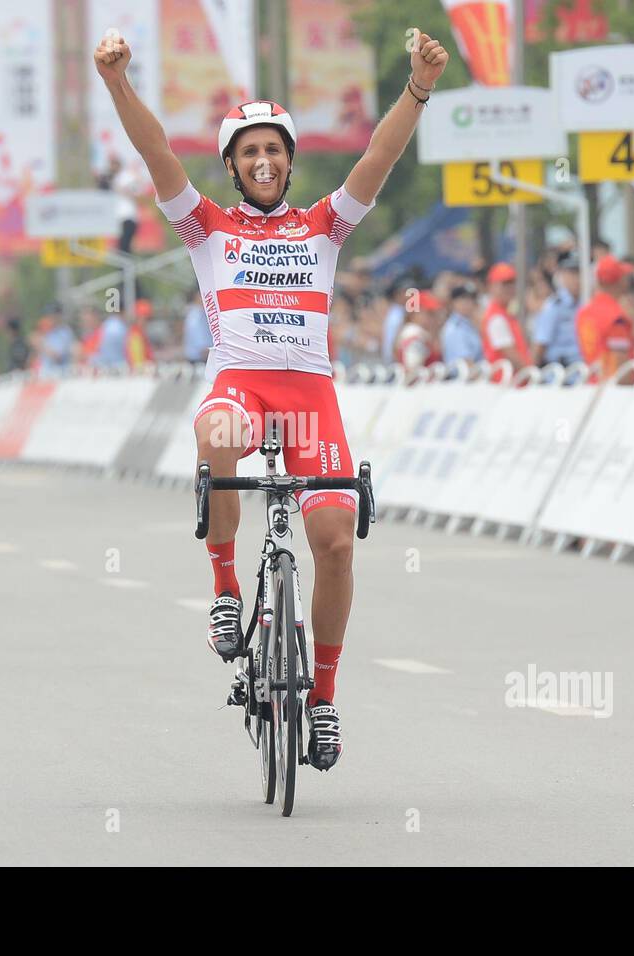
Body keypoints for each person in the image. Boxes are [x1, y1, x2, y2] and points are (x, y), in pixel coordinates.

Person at [95, 25, 449, 770]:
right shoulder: (206, 228)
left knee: (336, 545)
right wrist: (118, 83)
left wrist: (417, 87)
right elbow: (157, 151)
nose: (263, 161)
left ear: (289, 162)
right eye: (249, 151)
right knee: (217, 433)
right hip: (243, 388)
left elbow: (377, 158)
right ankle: (227, 586)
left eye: (274, 150)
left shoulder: (323, 226)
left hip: (312, 398)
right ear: (231, 165)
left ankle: (322, 700)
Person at [576, 255, 634, 381]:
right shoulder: (616, 317)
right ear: (620, 280)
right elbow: (621, 368)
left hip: (593, 386)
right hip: (613, 392)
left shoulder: (584, 312)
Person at [531, 251, 583, 367]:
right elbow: (540, 344)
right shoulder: (554, 306)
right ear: (562, 276)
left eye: (580, 273)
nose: (577, 279)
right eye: (573, 273)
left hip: (582, 370)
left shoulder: (584, 303)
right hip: (561, 373)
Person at [479, 262, 530, 371]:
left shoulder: (504, 313)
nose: (509, 288)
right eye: (504, 284)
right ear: (491, 286)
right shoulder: (496, 318)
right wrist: (530, 375)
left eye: (512, 283)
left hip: (513, 382)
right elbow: (511, 355)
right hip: (506, 384)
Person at [395, 290, 446, 371]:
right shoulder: (414, 335)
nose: (434, 318)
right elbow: (412, 371)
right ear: (414, 313)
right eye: (429, 313)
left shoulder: (423, 334)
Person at [440, 284, 482, 364]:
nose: (468, 303)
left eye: (471, 299)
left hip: (475, 372)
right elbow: (466, 362)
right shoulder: (454, 327)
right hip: (462, 375)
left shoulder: (469, 324)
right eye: (463, 299)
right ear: (453, 303)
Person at [182, 290, 213, 365]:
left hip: (200, 357)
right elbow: (195, 332)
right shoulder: (195, 315)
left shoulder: (199, 313)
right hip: (198, 359)